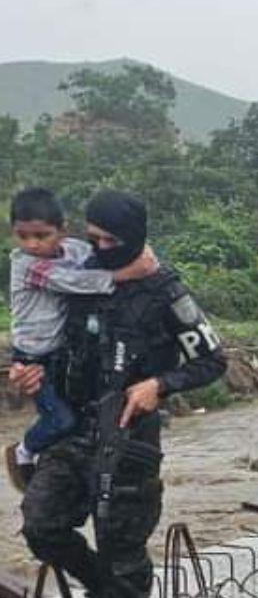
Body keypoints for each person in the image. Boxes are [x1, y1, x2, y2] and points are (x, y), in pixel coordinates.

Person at [11, 189, 226, 598]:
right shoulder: (76, 277)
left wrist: (160, 385)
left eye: (112, 240)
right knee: (42, 524)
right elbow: (42, 338)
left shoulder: (165, 290)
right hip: (73, 426)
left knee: (119, 541)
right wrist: (23, 377)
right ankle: (103, 596)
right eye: (94, 238)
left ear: (135, 238)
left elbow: (213, 360)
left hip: (129, 433)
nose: (101, 246)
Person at [5, 188, 149, 490]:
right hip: (33, 357)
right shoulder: (26, 265)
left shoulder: (73, 249)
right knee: (61, 420)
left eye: (41, 235)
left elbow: (99, 254)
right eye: (23, 236)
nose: (32, 244)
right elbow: (75, 281)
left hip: (60, 353)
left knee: (69, 414)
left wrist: (140, 254)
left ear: (62, 230)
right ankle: (23, 452)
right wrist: (128, 273)